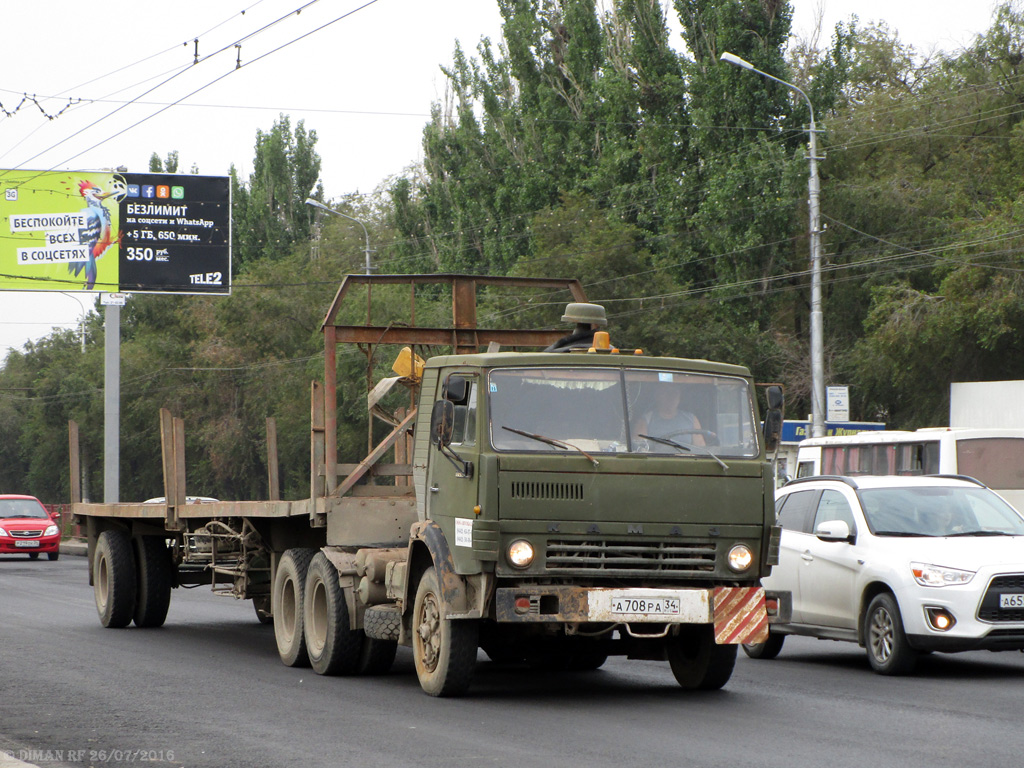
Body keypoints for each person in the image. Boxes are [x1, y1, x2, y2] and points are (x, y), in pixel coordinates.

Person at [634, 382, 706, 447]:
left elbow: (701, 450)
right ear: (658, 396)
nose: (671, 397)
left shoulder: (691, 419)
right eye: (667, 392)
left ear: (679, 397)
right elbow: (639, 450)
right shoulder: (646, 420)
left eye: (675, 393)